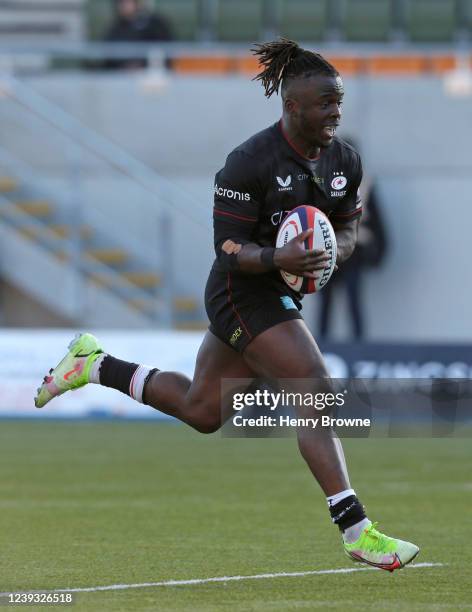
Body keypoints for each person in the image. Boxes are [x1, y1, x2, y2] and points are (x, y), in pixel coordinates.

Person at [35, 39, 418, 572]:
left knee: (202, 410)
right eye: (325, 104)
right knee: (312, 381)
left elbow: (349, 225)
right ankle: (356, 530)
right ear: (292, 107)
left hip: (277, 291)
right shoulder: (248, 162)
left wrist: (332, 251)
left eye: (339, 102)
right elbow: (228, 250)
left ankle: (94, 364)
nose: (335, 113)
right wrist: (281, 255)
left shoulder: (343, 160)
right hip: (239, 290)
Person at [318, 142, 388, 340]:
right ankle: (322, 346)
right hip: (328, 252)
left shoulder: (365, 184)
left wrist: (374, 247)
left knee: (353, 298)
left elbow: (377, 223)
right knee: (326, 302)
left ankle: (358, 347)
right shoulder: (322, 180)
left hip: (353, 251)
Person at [104, 0, 174, 69]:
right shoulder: (115, 29)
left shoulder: (155, 24)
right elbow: (109, 58)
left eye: (128, 2)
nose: (125, 5)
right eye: (122, 2)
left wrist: (143, 64)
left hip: (153, 73)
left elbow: (166, 48)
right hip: (123, 76)